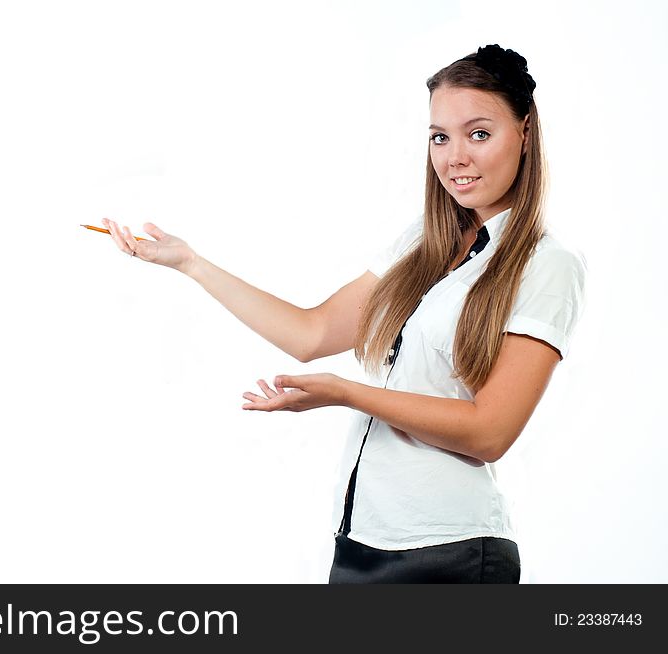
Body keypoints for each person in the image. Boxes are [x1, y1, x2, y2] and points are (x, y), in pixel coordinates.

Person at [99, 44, 586, 583]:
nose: (454, 158)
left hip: (451, 551)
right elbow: (311, 332)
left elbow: (491, 431)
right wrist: (189, 263)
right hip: (361, 541)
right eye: (439, 137)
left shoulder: (547, 264)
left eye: (478, 133)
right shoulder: (421, 243)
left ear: (524, 132)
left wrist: (346, 392)